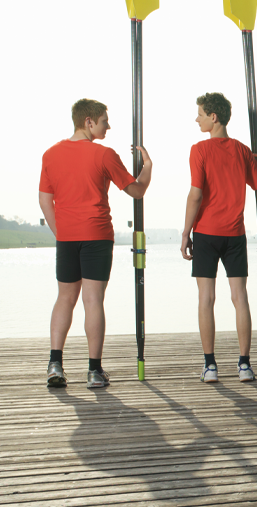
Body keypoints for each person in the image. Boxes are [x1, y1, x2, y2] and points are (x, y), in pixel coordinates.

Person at [40, 98, 152, 388]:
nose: (108, 125)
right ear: (88, 122)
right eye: (104, 120)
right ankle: (94, 371)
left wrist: (60, 231)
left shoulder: (51, 154)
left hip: (67, 238)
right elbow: (136, 191)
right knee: (93, 301)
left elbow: (44, 199)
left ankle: (55, 364)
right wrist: (148, 166)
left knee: (65, 298)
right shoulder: (104, 155)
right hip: (97, 236)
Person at [180, 92, 257, 383]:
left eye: (200, 114)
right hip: (234, 235)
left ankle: (210, 367)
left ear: (213, 117)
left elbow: (195, 195)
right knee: (239, 298)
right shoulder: (243, 151)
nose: (197, 118)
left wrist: (185, 232)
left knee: (206, 299)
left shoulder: (199, 150)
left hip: (206, 233)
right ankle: (244, 365)